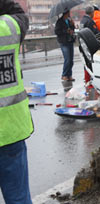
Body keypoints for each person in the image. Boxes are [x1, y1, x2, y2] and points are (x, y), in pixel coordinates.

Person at [0, 0, 34, 203]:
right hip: (11, 130)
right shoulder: (9, 27)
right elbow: (19, 13)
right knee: (18, 199)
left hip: (11, 132)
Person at [55, 10, 76, 81]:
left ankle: (69, 75)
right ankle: (64, 75)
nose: (69, 14)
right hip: (63, 42)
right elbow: (57, 32)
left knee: (71, 60)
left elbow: (72, 30)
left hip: (70, 41)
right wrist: (66, 31)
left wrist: (73, 25)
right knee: (67, 59)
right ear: (65, 13)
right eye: (68, 13)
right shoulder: (59, 21)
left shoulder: (69, 20)